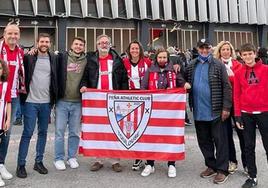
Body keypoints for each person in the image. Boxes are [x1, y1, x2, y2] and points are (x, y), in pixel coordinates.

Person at [185, 38, 232, 184]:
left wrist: (226, 107)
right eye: (201, 48)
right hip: (199, 111)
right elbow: (184, 80)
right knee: (204, 141)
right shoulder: (192, 64)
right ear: (197, 49)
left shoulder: (218, 64)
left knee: (221, 141)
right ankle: (211, 165)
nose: (204, 50)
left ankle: (222, 169)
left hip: (216, 111)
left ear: (211, 48)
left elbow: (226, 86)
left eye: (206, 48)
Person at [80, 34, 128, 172]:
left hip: (114, 101)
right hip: (96, 102)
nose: (104, 45)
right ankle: (98, 159)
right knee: (98, 130)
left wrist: (124, 96)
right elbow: (85, 78)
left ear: (110, 45)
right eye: (101, 43)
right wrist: (83, 86)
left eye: (106, 42)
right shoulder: (91, 60)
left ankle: (115, 161)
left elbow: (124, 79)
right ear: (97, 45)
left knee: (115, 130)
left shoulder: (117, 60)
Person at [140, 48, 190, 178]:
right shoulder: (150, 70)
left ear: (168, 58)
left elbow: (180, 80)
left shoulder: (173, 70)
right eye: (160, 57)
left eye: (164, 57)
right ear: (156, 58)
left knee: (170, 136)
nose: (162, 60)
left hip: (169, 111)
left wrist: (184, 84)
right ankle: (150, 163)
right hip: (153, 110)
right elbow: (143, 87)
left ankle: (171, 164)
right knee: (151, 136)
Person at [16, 33, 57, 178]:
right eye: (42, 41)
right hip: (30, 102)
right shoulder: (29, 57)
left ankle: (38, 162)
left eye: (47, 41)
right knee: (27, 133)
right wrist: (29, 51)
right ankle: (21, 165)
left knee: (43, 133)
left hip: (46, 103)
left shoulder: (54, 59)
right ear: (37, 43)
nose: (44, 44)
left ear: (50, 44)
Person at [234, 43, 268, 188]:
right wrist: (237, 116)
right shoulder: (238, 72)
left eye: (250, 53)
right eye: (245, 54)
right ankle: (252, 177)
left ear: (255, 54)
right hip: (246, 113)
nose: (248, 57)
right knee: (248, 146)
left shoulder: (266, 70)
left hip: (264, 112)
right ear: (241, 56)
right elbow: (236, 95)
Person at [54, 37, 88, 171]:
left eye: (81, 45)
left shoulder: (87, 60)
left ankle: (72, 157)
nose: (78, 46)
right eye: (76, 44)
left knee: (74, 132)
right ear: (71, 45)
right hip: (62, 101)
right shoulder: (62, 57)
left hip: (77, 102)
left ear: (84, 47)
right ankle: (58, 158)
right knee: (59, 132)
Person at [213, 41, 246, 174]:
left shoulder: (238, 65)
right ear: (219, 52)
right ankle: (232, 160)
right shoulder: (215, 65)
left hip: (238, 103)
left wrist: (230, 78)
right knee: (226, 135)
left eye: (228, 49)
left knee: (242, 134)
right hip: (223, 104)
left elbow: (241, 83)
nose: (226, 51)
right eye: (223, 49)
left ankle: (247, 163)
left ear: (231, 51)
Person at [0, 23, 25, 180]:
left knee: (6, 132)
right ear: (4, 33)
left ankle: (1, 164)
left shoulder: (20, 52)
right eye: (10, 33)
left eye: (16, 34)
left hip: (12, 97)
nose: (13, 36)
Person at [122, 40, 152, 171]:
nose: (134, 51)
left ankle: (147, 156)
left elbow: (159, 69)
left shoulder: (147, 62)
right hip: (130, 98)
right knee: (133, 127)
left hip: (145, 97)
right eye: (132, 48)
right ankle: (138, 156)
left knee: (145, 126)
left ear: (140, 50)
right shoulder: (124, 62)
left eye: (136, 48)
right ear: (129, 50)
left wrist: (176, 65)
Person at [0, 59, 11, 187]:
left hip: (1, 121)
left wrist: (8, 120)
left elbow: (8, 103)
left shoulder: (6, 85)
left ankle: (1, 166)